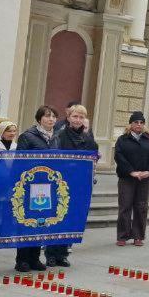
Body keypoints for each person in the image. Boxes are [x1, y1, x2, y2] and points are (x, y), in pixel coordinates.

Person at [12, 106, 61, 272]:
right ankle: (22, 259)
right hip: (30, 185)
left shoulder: (56, 137)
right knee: (27, 221)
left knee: (41, 221)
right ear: (39, 119)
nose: (51, 119)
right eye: (47, 116)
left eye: (53, 116)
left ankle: (35, 257)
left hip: (48, 186)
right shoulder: (27, 136)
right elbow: (19, 161)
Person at [52, 104, 98, 267]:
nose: (78, 120)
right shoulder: (59, 136)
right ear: (69, 118)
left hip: (79, 183)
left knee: (72, 218)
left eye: (81, 117)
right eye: (75, 116)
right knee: (57, 218)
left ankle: (63, 253)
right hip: (61, 182)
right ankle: (51, 254)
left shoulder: (88, 138)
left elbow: (93, 158)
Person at [114, 111, 149, 247]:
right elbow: (119, 156)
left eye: (141, 122)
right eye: (136, 122)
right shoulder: (123, 139)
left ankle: (138, 236)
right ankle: (122, 236)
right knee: (125, 206)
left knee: (141, 207)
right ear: (130, 124)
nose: (139, 125)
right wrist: (131, 172)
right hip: (126, 178)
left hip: (144, 179)